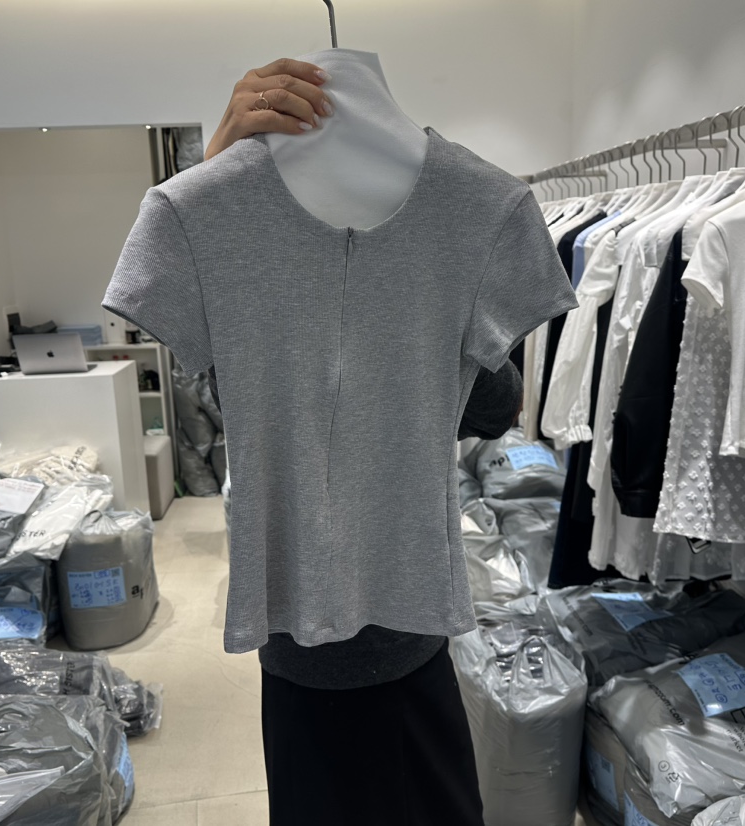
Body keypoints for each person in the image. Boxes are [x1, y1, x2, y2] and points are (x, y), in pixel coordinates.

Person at [203, 57, 525, 826]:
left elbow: (495, 405)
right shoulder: (233, 237)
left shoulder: (448, 220)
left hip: (379, 628)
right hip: (328, 634)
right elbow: (225, 398)